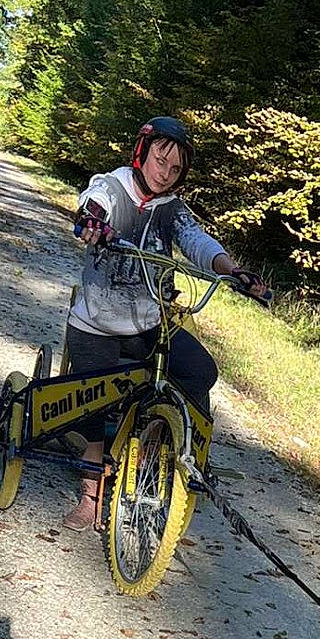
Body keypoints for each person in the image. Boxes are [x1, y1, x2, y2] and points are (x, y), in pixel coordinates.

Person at [61, 116, 267, 527]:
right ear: (143, 152)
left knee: (199, 371)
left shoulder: (172, 208)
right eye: (160, 159)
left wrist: (233, 270)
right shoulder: (112, 186)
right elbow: (92, 205)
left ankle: (182, 457)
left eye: (175, 169)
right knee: (96, 408)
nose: (165, 173)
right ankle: (90, 496)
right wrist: (93, 225)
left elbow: (197, 241)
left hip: (148, 324)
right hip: (95, 325)